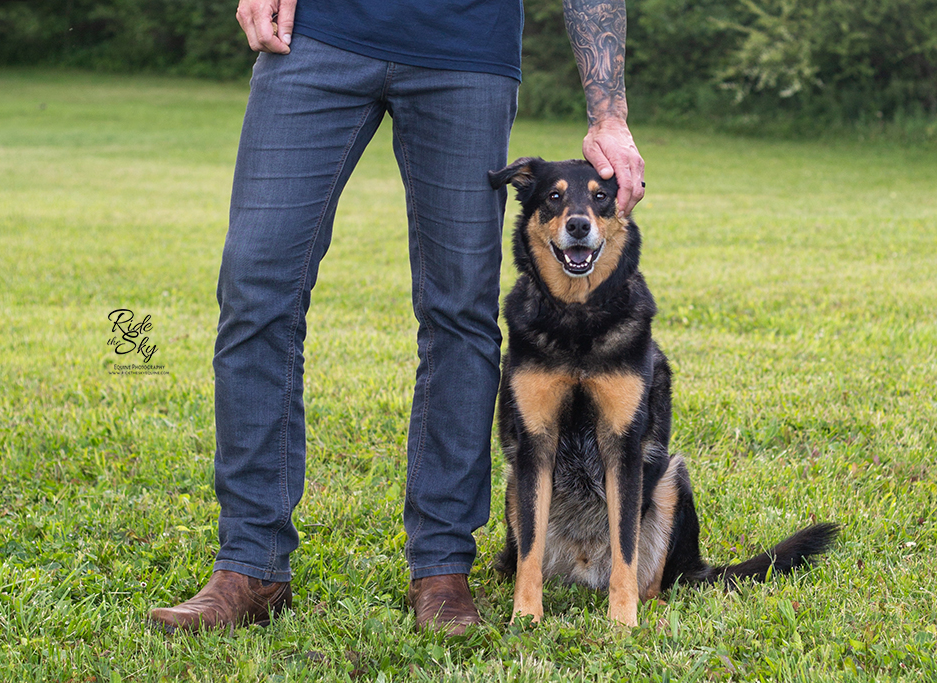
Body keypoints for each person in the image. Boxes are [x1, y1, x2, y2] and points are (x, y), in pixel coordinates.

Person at [149, 0, 645, 635]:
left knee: (459, 311)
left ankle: (442, 568)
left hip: (467, 50)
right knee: (256, 289)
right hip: (318, 36)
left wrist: (608, 112)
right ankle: (251, 563)